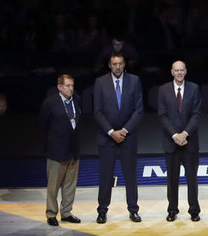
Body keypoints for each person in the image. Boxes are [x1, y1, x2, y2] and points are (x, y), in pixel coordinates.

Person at [93, 53, 143, 224]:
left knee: (130, 176)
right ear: (109, 65)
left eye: (120, 63)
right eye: (114, 64)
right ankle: (102, 210)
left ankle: (133, 210)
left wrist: (124, 130)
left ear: (124, 65)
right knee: (105, 176)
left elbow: (138, 110)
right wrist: (111, 132)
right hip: (107, 138)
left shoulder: (134, 81)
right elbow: (97, 112)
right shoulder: (100, 82)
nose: (117, 67)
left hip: (128, 137)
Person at [158, 61, 202, 222]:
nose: (179, 73)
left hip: (189, 142)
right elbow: (162, 115)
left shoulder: (194, 88)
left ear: (186, 71)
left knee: (192, 178)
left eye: (181, 70)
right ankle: (172, 209)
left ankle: (194, 210)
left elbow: (197, 114)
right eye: (176, 70)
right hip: (171, 142)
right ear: (171, 72)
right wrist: (175, 135)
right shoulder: (163, 90)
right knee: (172, 178)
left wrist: (184, 134)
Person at [39, 74, 82, 226]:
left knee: (70, 184)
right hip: (56, 151)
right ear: (59, 87)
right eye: (67, 86)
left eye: (72, 85)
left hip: (73, 150)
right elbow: (43, 128)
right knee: (54, 185)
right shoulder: (50, 103)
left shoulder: (76, 101)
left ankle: (66, 212)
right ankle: (51, 214)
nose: (71, 88)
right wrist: (48, 148)